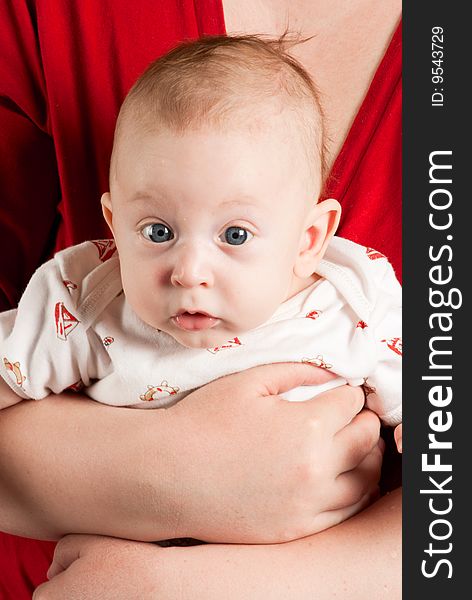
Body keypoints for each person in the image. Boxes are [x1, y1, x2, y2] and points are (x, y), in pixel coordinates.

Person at [0, 1, 401, 598]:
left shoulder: (352, 303)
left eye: (234, 236)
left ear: (310, 240)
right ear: (114, 223)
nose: (189, 272)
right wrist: (171, 469)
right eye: (157, 232)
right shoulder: (88, 302)